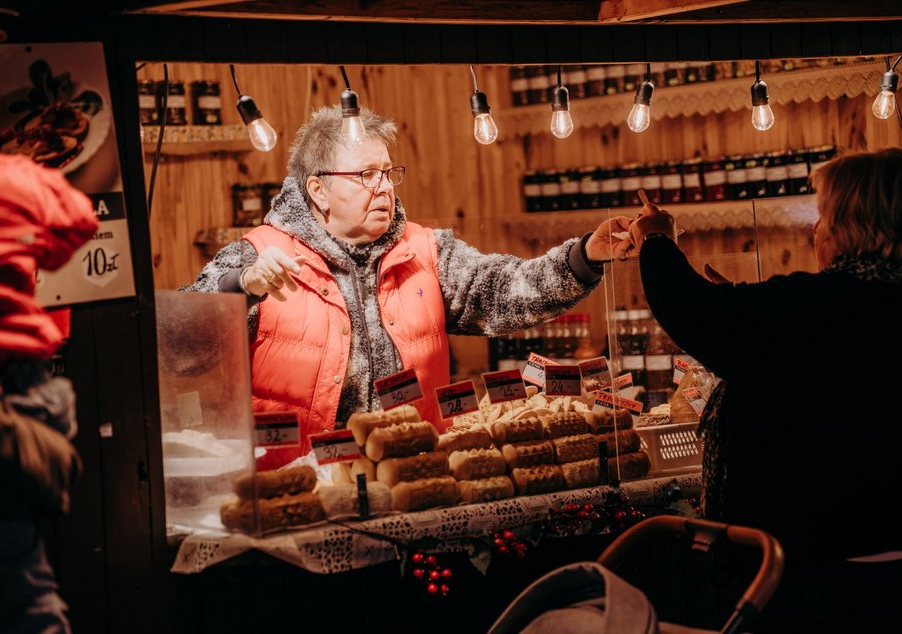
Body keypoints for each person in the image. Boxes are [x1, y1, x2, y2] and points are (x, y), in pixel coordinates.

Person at [185, 105, 632, 468]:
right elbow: (182, 350)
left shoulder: (425, 249)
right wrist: (240, 288)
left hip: (414, 476)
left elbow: (506, 291)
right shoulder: (256, 254)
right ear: (317, 189)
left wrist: (585, 257)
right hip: (295, 491)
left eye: (388, 172)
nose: (384, 187)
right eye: (366, 175)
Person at [629, 148, 902, 631]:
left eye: (823, 215)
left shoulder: (821, 307)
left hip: (821, 578)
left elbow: (694, 311)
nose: (816, 230)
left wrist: (657, 240)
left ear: (851, 224)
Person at [0, 42, 96, 633]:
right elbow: (78, 225)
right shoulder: (14, 180)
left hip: (1, 401)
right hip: (23, 390)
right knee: (23, 589)